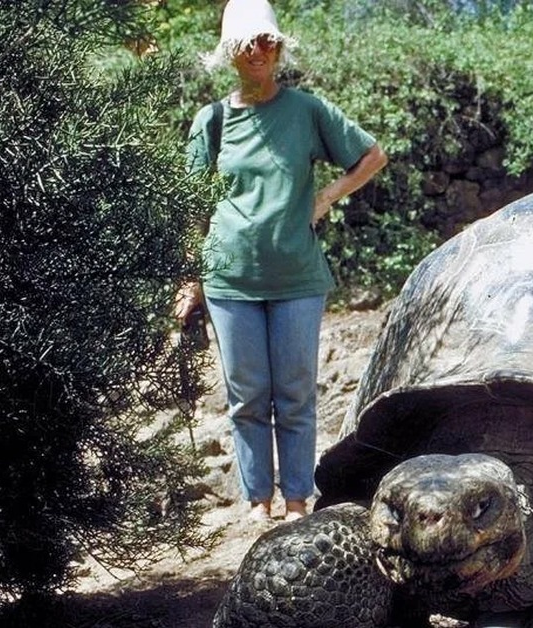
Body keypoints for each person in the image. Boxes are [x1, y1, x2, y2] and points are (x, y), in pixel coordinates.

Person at [176, 0, 387, 523]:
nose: (259, 51)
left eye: (267, 41)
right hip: (228, 278)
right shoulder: (214, 120)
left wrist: (326, 197)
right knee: (246, 397)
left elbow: (371, 155)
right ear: (230, 51)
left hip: (297, 277)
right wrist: (188, 280)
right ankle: (256, 501)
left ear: (279, 47)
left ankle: (296, 500)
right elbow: (189, 205)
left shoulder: (307, 111)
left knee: (294, 393)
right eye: (248, 42)